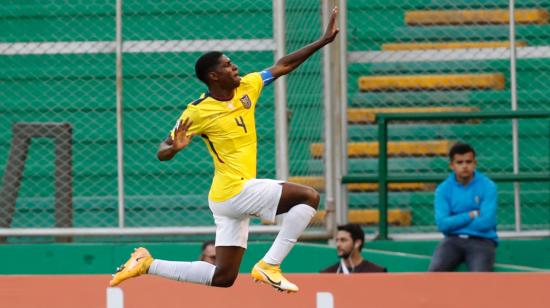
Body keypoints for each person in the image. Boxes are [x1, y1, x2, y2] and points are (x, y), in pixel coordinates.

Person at [109, 7, 340, 293]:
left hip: (225, 200)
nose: (236, 68)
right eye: (228, 66)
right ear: (213, 76)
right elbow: (162, 150)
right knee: (308, 197)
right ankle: (270, 265)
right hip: (235, 190)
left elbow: (283, 65)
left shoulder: (248, 87)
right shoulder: (197, 111)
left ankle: (147, 264)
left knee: (223, 277)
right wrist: (175, 149)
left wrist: (322, 41)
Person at [428, 143, 498, 272]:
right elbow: (442, 225)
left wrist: (454, 221)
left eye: (468, 162)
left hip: (482, 240)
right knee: (434, 273)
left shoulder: (488, 186)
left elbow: (487, 222)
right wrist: (471, 215)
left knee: (480, 279)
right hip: (452, 241)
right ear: (452, 165)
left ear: (475, 163)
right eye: (459, 162)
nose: (464, 166)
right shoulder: (443, 189)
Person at [321, 223, 386, 273]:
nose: (338, 244)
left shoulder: (377, 272)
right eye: (337, 240)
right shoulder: (328, 274)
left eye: (343, 240)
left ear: (357, 243)